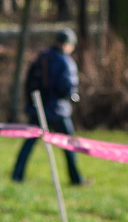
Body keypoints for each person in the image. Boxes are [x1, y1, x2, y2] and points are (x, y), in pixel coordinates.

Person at [12, 27, 86, 185]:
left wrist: (31, 104)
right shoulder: (65, 61)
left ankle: (17, 175)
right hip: (58, 110)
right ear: (67, 45)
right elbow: (67, 87)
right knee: (69, 145)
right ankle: (76, 179)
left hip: (39, 108)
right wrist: (72, 96)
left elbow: (29, 83)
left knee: (29, 143)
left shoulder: (42, 58)